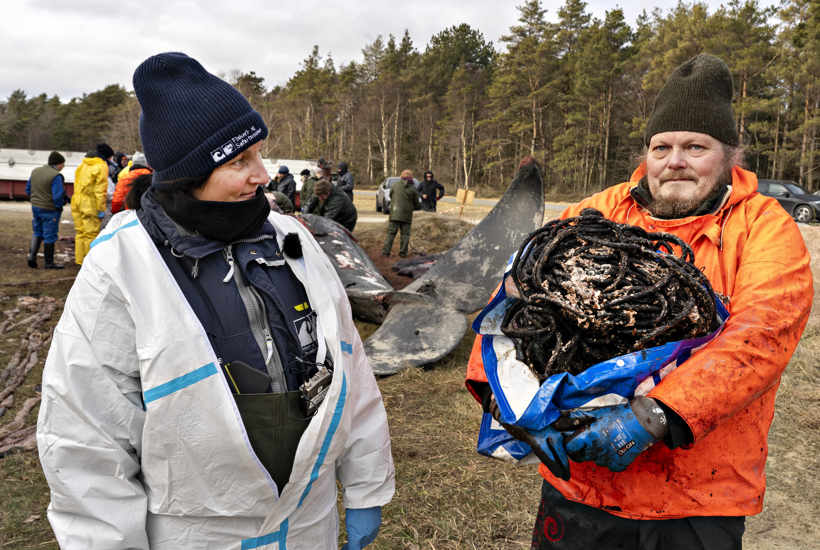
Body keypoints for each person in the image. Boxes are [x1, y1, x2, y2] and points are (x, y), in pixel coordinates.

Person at [37, 52, 394, 550]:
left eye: (260, 155)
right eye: (240, 161)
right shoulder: (123, 266)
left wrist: (365, 486)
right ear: (189, 175)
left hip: (309, 520)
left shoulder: (292, 239)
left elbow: (350, 370)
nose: (263, 174)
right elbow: (87, 435)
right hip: (199, 534)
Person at [466, 54, 813, 550]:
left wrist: (655, 415)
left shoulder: (763, 227)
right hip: (583, 488)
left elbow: (761, 335)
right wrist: (506, 406)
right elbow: (514, 304)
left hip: (696, 498)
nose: (675, 161)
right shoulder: (595, 213)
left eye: (696, 147)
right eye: (662, 147)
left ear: (731, 156)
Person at [25, 151, 68, 269]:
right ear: (58, 164)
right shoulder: (56, 176)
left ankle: (31, 256)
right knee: (50, 235)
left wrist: (36, 200)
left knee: (37, 231)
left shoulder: (36, 171)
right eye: (63, 164)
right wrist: (59, 206)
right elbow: (57, 196)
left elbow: (28, 189)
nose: (63, 167)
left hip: (36, 207)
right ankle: (49, 263)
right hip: (50, 209)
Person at [71, 144, 110, 264]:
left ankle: (80, 260)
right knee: (91, 234)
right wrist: (101, 208)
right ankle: (89, 262)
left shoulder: (82, 165)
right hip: (90, 205)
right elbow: (100, 191)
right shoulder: (101, 166)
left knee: (80, 233)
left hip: (77, 202)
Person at [381, 169, 420, 257]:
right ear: (411, 178)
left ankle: (385, 252)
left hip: (394, 214)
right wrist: (414, 207)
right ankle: (402, 253)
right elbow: (417, 204)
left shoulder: (395, 185)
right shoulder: (413, 189)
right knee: (405, 235)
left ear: (401, 177)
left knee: (391, 234)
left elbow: (391, 195)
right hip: (406, 216)